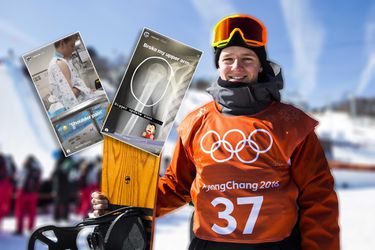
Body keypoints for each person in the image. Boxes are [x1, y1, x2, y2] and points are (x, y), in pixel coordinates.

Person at [92, 14, 340, 249]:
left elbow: (319, 199)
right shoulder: (196, 122)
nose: (237, 67)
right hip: (208, 245)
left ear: (261, 66)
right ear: (218, 66)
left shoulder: (292, 123)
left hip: (276, 245)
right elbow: (177, 186)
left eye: (247, 59)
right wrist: (120, 202)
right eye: (228, 59)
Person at [48, 34, 94, 110]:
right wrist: (82, 88)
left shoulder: (55, 62)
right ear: (62, 43)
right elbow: (70, 95)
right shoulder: (60, 63)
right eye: (72, 45)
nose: (73, 49)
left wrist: (87, 90)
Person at [14, 155, 41, 235]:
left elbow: (18, 178)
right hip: (34, 193)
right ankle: (31, 229)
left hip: (22, 192)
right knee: (32, 212)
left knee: (20, 211)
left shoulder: (24, 168)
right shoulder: (37, 169)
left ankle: (19, 229)